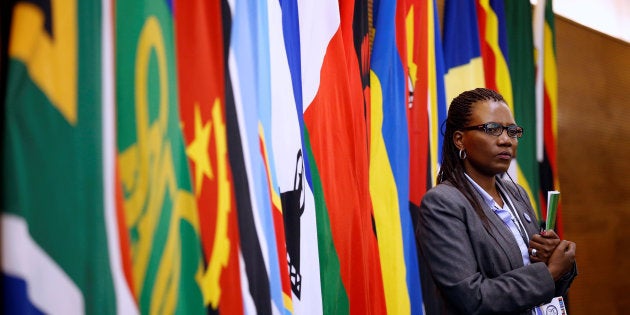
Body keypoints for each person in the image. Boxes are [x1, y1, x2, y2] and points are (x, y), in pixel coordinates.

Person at [415, 88, 577, 314]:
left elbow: (544, 287)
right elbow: (473, 299)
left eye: (512, 131)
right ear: (460, 140)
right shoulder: (443, 203)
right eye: (492, 129)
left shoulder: (516, 194)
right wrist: (548, 273)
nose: (505, 140)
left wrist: (554, 259)